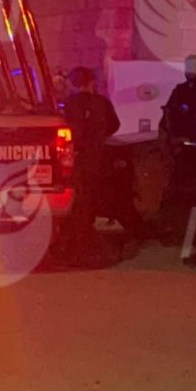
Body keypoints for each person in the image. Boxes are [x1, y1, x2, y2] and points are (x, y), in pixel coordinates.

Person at [58, 67, 121, 258]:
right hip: (98, 157)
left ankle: (76, 242)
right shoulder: (102, 103)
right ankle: (87, 234)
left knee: (78, 199)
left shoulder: (69, 104)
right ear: (91, 82)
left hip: (78, 158)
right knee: (91, 196)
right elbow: (114, 125)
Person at [158, 54, 196, 144]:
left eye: (195, 67)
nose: (191, 71)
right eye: (188, 67)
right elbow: (169, 114)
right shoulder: (180, 90)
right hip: (185, 139)